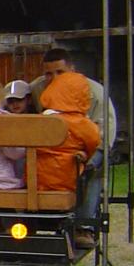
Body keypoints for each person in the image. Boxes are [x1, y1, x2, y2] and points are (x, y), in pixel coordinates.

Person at [29, 48, 116, 234]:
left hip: (84, 151)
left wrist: (88, 158)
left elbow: (103, 136)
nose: (55, 78)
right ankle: (32, 219)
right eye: (48, 73)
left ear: (72, 70)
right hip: (48, 152)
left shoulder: (95, 92)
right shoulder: (37, 88)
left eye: (60, 72)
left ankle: (84, 226)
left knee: (93, 171)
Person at [35, 71, 101, 249]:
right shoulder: (83, 125)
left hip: (37, 182)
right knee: (95, 173)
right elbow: (94, 144)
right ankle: (83, 228)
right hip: (67, 184)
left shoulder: (41, 120)